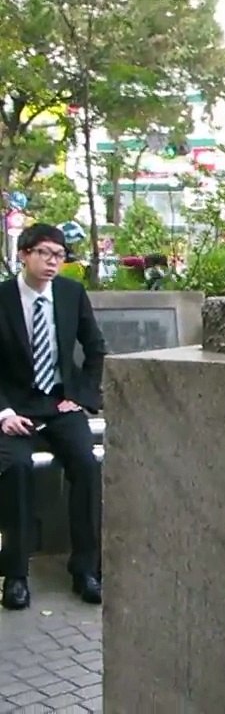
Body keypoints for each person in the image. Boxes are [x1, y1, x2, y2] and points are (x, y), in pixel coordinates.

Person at [0, 223, 108, 610]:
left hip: (60, 405)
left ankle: (86, 570)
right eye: (44, 253)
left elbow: (95, 348)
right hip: (15, 408)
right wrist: (4, 412)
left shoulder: (71, 293)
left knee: (86, 464)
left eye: (59, 256)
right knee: (16, 469)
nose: (51, 263)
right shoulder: (3, 297)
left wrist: (79, 397)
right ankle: (15, 575)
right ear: (24, 254)